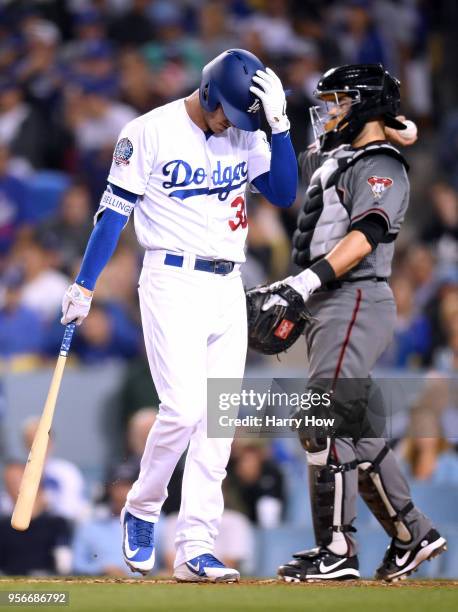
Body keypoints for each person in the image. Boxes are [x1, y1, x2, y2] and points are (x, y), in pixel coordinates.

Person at [60, 49, 297, 582]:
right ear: (209, 92)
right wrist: (84, 283)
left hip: (229, 284)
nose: (230, 125)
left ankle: (196, 547)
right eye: (227, 113)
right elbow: (113, 213)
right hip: (171, 278)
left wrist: (279, 127)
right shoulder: (149, 130)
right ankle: (143, 507)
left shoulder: (247, 125)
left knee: (219, 424)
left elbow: (282, 193)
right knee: (185, 407)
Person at [261, 63, 447, 582]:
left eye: (339, 100)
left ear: (363, 105)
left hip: (354, 297)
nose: (329, 110)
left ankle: (337, 552)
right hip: (334, 301)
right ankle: (413, 534)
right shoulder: (355, 153)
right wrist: (395, 123)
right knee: (358, 434)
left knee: (320, 423)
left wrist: (306, 281)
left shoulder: (380, 162)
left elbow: (368, 231)